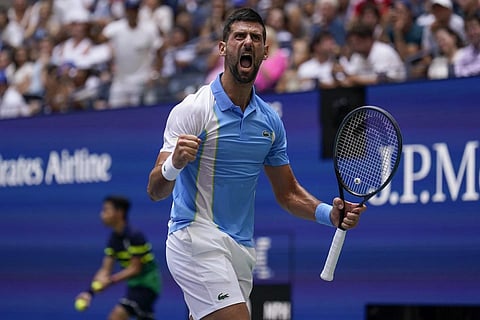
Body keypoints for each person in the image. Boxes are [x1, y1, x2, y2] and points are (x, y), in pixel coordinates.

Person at [147, 7, 366, 320]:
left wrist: (328, 214)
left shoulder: (270, 122)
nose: (247, 42)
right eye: (239, 36)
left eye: (256, 38)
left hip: (240, 250)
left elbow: (288, 193)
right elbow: (155, 190)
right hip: (194, 238)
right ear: (223, 48)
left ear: (266, 52)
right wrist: (175, 164)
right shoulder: (194, 110)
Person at [75, 195, 162, 320]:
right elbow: (105, 270)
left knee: (117, 315)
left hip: (148, 286)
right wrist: (89, 293)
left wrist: (111, 280)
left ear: (119, 212)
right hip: (134, 287)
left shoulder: (134, 235)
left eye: (106, 210)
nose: (102, 214)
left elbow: (135, 268)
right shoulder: (113, 239)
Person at [454, 11, 480, 77]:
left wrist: (468, 70)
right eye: (468, 29)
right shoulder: (463, 53)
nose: (472, 33)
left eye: (474, 28)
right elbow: (458, 71)